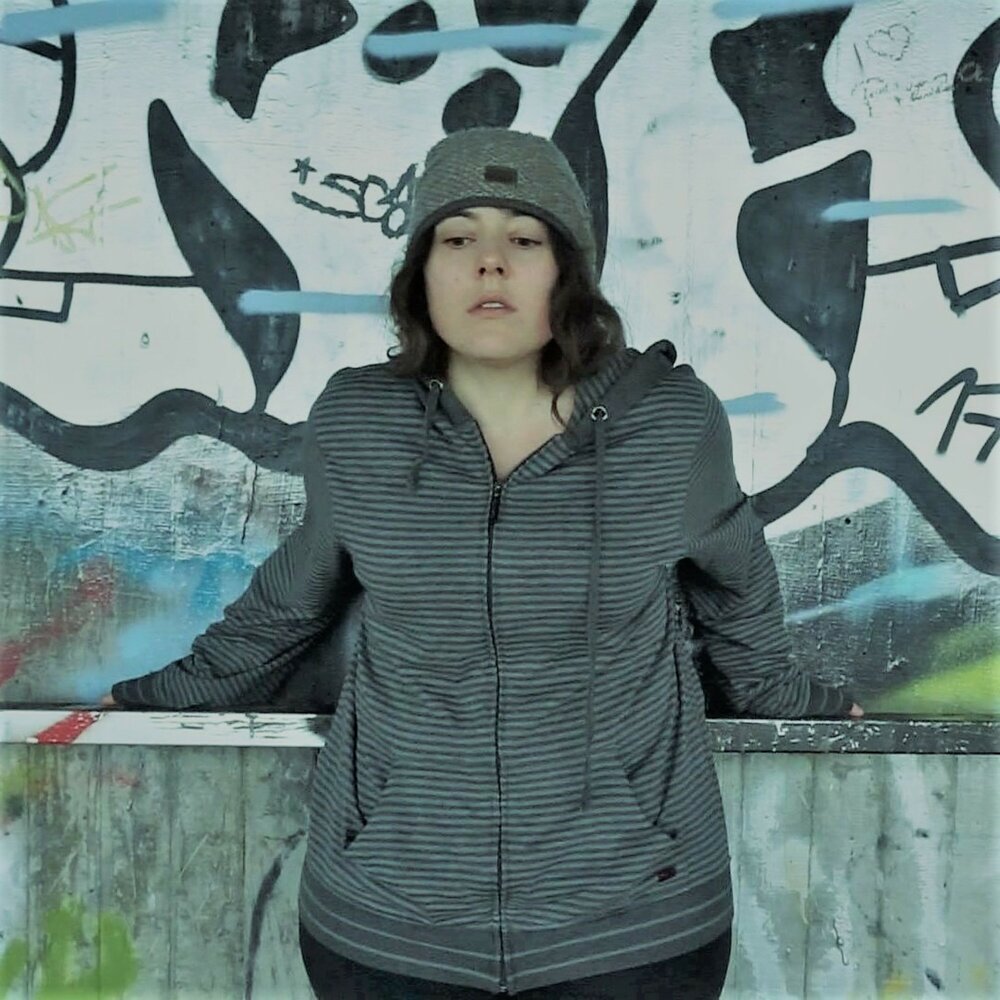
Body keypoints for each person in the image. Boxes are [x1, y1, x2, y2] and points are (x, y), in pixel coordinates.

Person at [102, 127, 864, 999]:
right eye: (458, 237)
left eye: (524, 239)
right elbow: (288, 604)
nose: (489, 262)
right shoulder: (357, 422)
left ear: (568, 272)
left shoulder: (671, 424)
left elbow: (738, 589)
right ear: (422, 273)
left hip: (633, 923)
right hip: (389, 923)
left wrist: (791, 697)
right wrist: (150, 697)